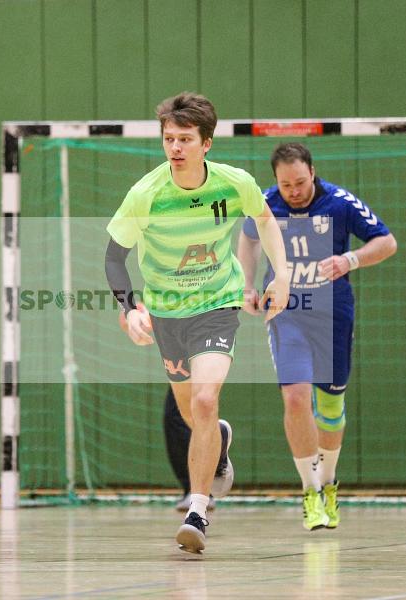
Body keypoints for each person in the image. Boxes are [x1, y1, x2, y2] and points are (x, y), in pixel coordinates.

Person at [105, 92, 290, 553]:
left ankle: (198, 509)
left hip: (217, 304)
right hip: (167, 312)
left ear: (206, 142)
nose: (175, 147)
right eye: (169, 138)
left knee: (206, 400)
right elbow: (114, 257)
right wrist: (129, 308)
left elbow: (266, 222)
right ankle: (220, 445)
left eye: (185, 138)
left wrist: (281, 275)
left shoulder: (235, 183)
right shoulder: (146, 194)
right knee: (192, 413)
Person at [237, 142, 397, 531]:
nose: (293, 191)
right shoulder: (266, 204)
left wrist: (350, 259)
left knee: (330, 405)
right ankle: (309, 491)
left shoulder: (340, 203)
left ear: (313, 172)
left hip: (333, 315)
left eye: (300, 182)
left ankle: (328, 483)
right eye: (285, 184)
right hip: (286, 312)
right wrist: (246, 285)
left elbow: (386, 242)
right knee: (295, 397)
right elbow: (249, 240)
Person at [117, 312, 215, 512]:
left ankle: (201, 491)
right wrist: (135, 314)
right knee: (180, 416)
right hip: (183, 345)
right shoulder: (161, 288)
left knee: (185, 414)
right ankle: (198, 489)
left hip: (206, 340)